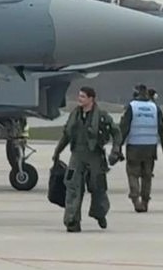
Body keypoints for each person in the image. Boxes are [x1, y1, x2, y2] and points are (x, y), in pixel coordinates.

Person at [51, 86, 122, 232]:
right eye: (79, 96)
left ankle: (100, 213)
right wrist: (57, 152)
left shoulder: (102, 116)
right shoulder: (74, 115)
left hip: (94, 155)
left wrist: (116, 149)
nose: (79, 99)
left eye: (83, 96)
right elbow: (66, 135)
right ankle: (72, 221)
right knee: (73, 187)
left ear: (91, 99)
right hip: (77, 155)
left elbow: (116, 132)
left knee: (98, 188)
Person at [118, 83, 163, 212]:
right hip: (150, 147)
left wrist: (117, 146)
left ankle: (136, 199)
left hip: (134, 146)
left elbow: (124, 128)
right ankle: (145, 201)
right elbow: (162, 128)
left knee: (133, 174)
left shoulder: (132, 107)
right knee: (147, 176)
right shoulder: (154, 107)